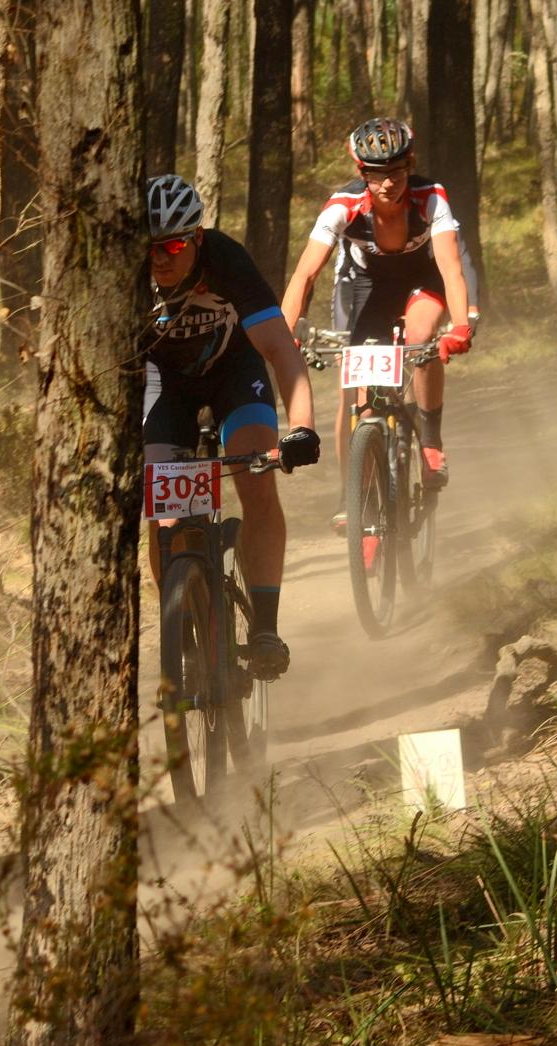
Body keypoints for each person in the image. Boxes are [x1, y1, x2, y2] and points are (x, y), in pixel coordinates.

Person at [142, 174, 320, 678]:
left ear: (197, 238)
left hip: (233, 375)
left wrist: (302, 427)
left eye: (173, 244)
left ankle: (265, 626)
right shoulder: (131, 271)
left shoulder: (226, 259)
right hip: (167, 387)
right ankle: (188, 628)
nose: (160, 258)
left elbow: (280, 350)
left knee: (256, 476)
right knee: (167, 520)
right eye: (150, 247)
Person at [279, 117, 477, 531]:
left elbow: (451, 268)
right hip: (365, 285)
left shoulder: (431, 199)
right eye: (376, 173)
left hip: (423, 280)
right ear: (361, 173)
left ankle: (430, 438)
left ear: (410, 164)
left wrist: (460, 326)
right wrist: (284, 330)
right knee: (355, 395)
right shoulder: (342, 206)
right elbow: (305, 275)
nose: (388, 182)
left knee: (421, 339)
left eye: (397, 170)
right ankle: (352, 493)